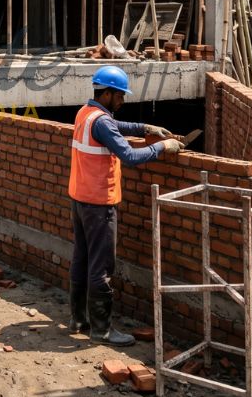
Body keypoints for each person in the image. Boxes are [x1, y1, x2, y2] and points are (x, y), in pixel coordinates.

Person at [68, 66, 181, 346]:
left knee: (81, 261)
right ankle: (102, 330)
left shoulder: (86, 113)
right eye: (119, 96)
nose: (122, 101)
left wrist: (145, 128)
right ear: (106, 93)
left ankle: (79, 320)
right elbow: (129, 155)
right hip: (98, 205)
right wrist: (162, 148)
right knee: (101, 267)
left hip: (80, 200)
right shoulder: (102, 122)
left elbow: (115, 126)